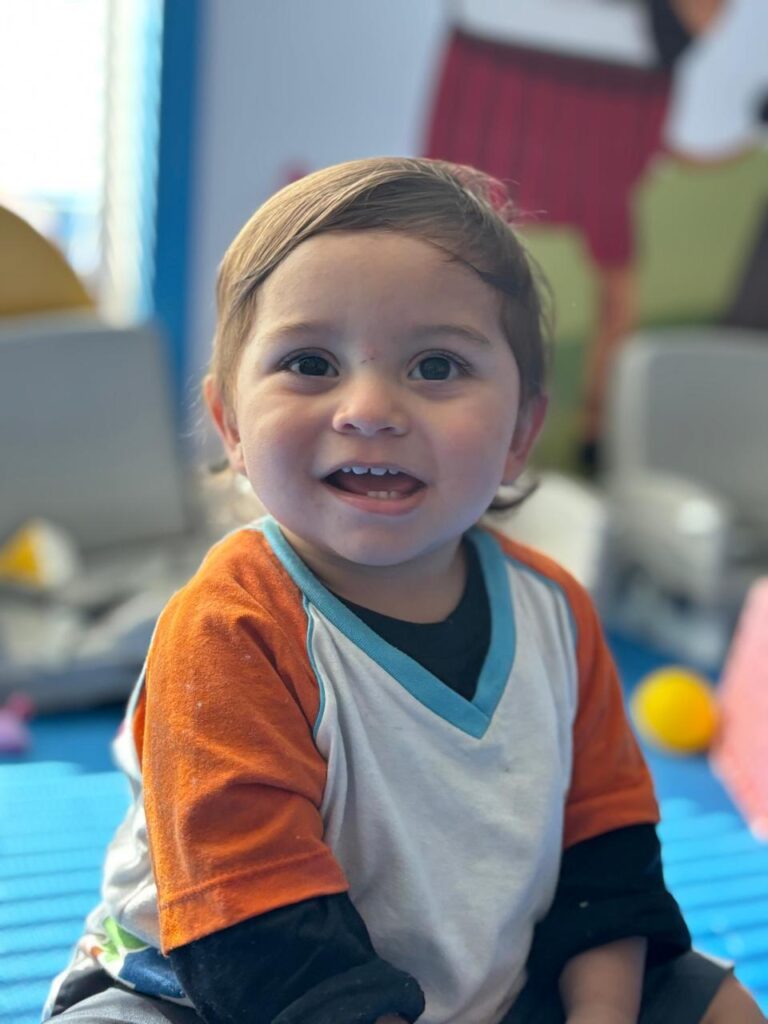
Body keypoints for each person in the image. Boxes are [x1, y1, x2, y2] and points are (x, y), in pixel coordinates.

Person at [43, 157, 765, 1023]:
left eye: (436, 367)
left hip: (490, 976)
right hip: (220, 990)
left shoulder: (557, 614)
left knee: (720, 1005)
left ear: (520, 433)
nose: (370, 408)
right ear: (231, 425)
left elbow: (605, 863)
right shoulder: (230, 628)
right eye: (311, 362)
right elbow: (261, 930)